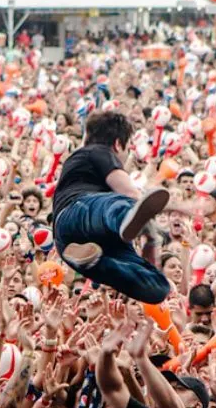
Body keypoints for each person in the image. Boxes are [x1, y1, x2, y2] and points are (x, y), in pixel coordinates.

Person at [51, 111, 188, 303]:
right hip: (78, 213)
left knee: (157, 287)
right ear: (117, 144)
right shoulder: (98, 151)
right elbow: (131, 193)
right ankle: (124, 219)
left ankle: (95, 260)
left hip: (74, 247)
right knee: (122, 203)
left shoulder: (79, 159)